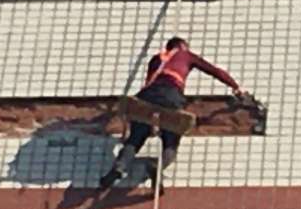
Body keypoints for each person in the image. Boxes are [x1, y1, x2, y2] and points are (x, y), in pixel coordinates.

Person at [99, 37, 242, 189]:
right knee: (171, 140)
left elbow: (149, 81)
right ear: (182, 46)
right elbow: (214, 70)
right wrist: (235, 86)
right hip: (171, 95)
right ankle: (158, 166)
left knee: (136, 137)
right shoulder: (186, 55)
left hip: (147, 96)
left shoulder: (156, 58)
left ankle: (119, 167)